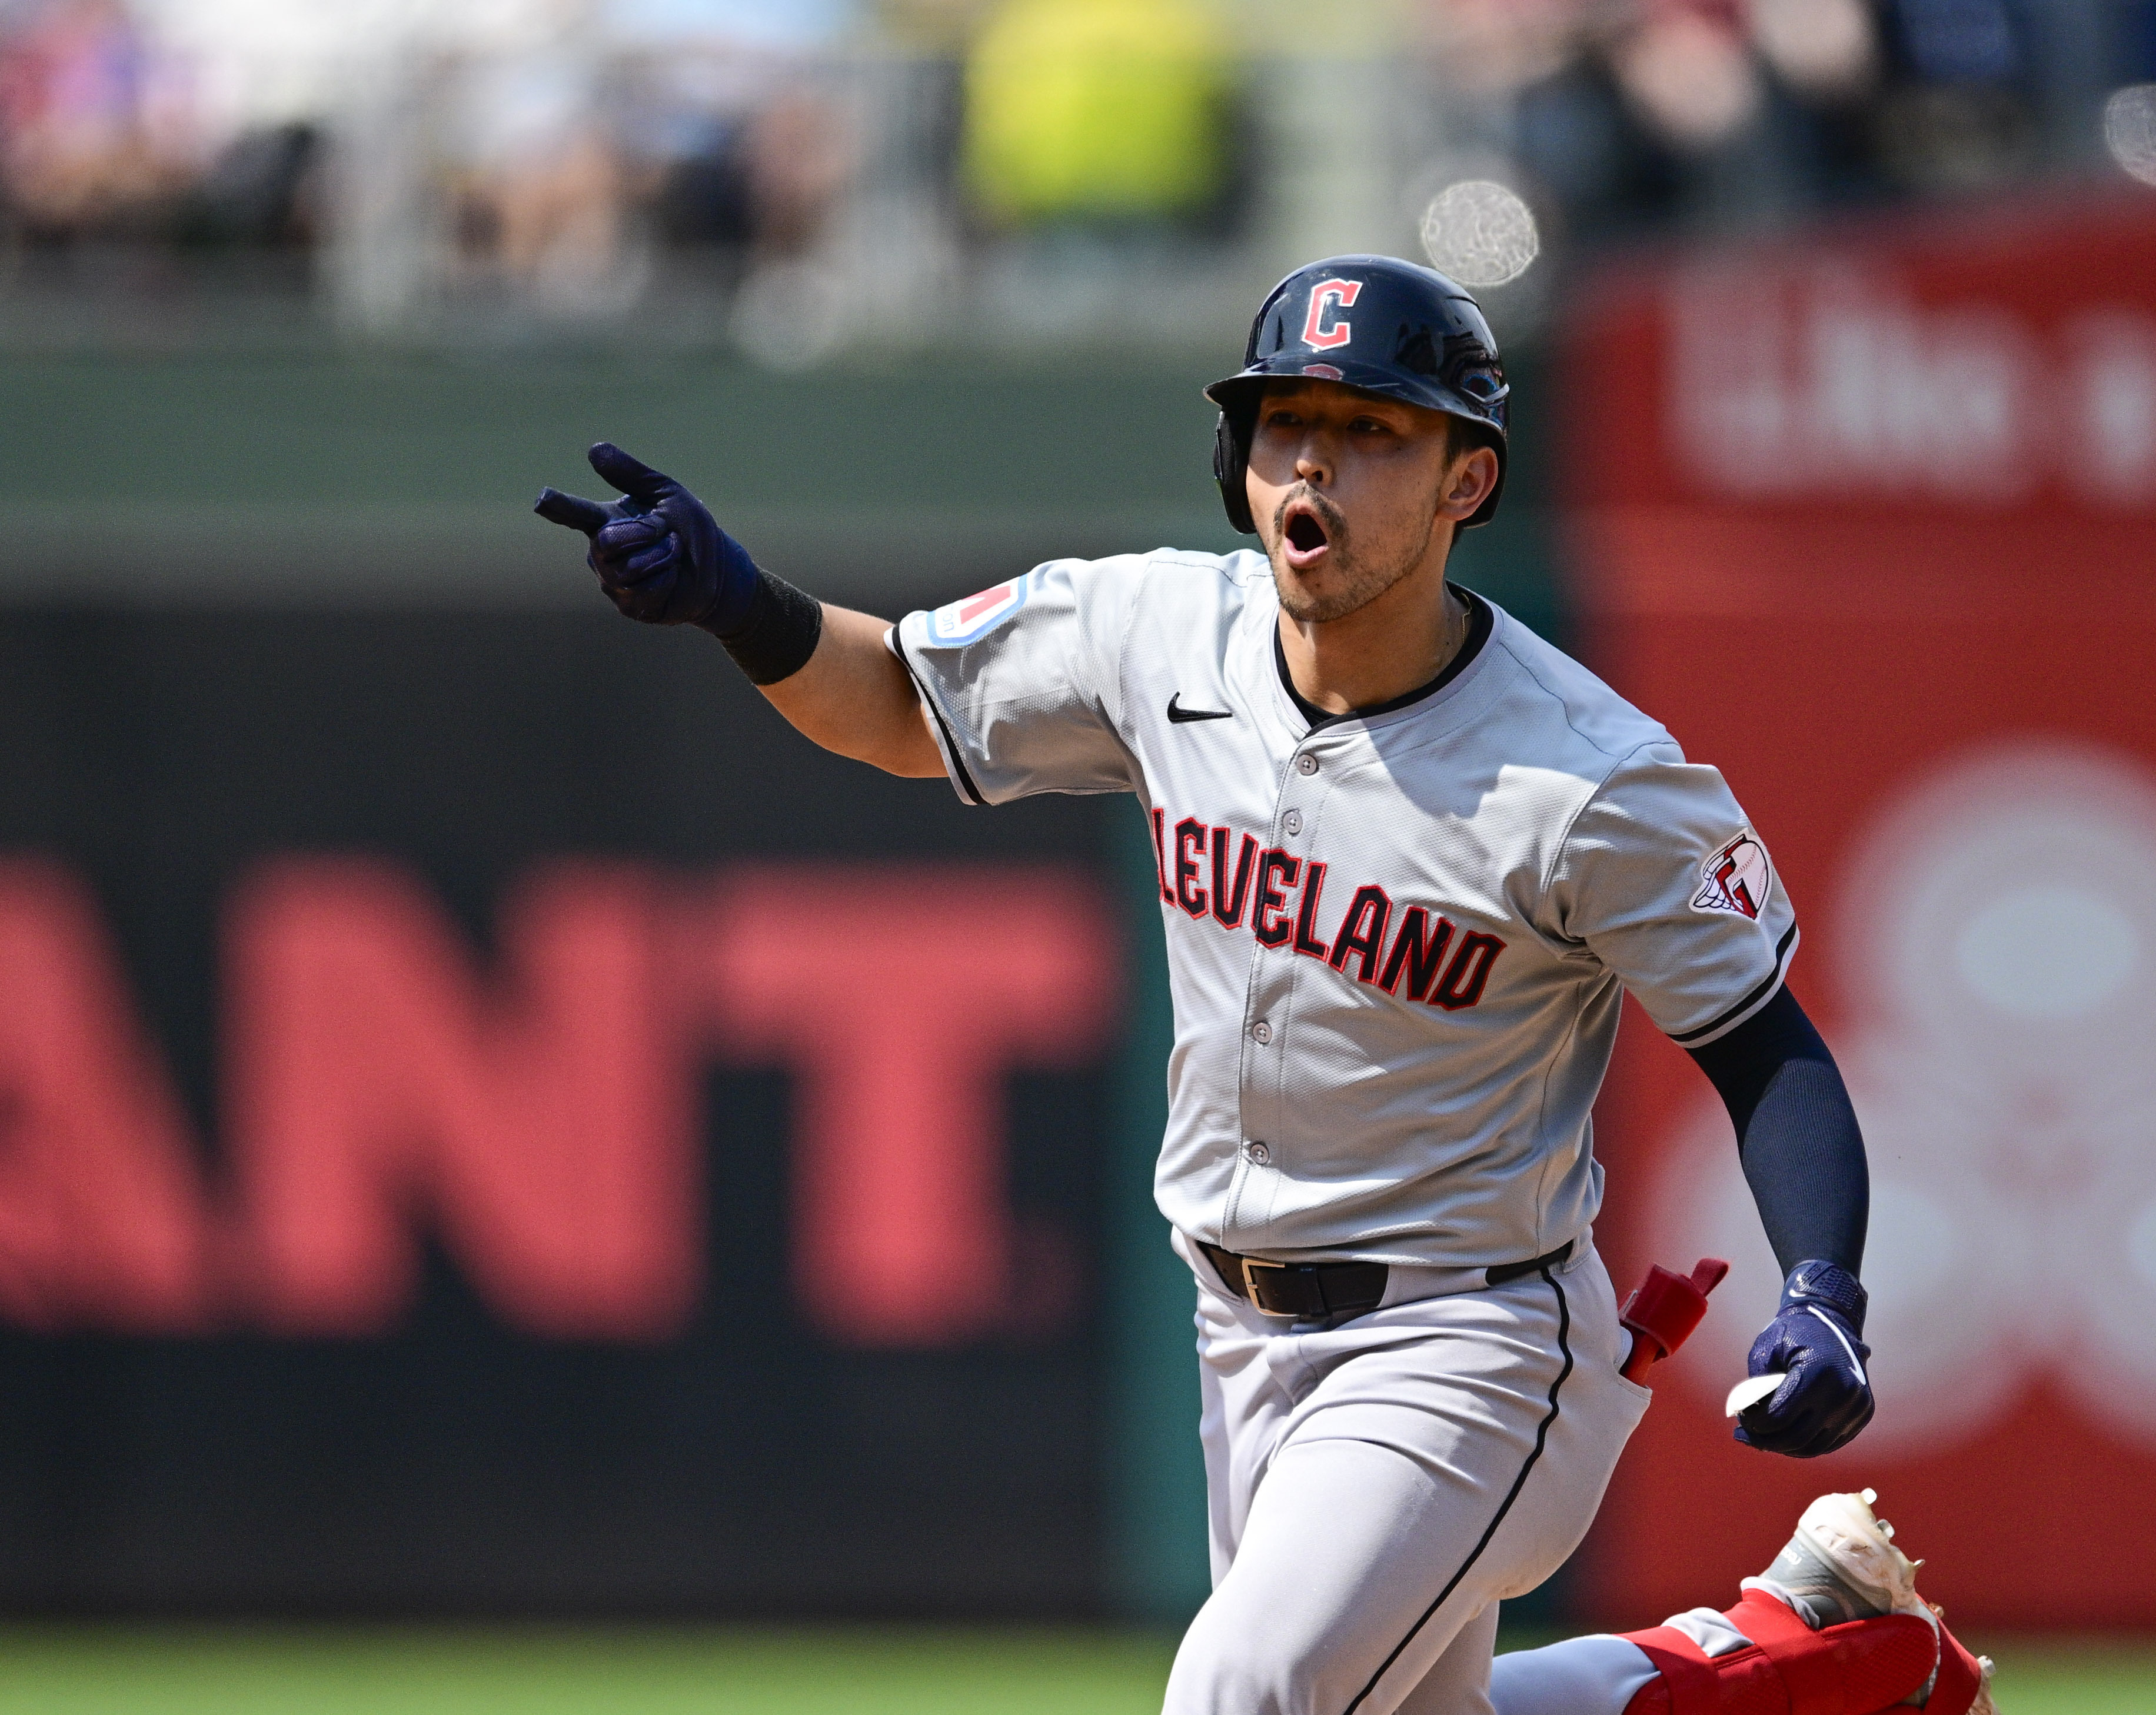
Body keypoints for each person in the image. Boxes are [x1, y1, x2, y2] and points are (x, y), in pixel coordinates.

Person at [535, 254, 1992, 1715]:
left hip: (1469, 1337)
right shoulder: (1161, 631)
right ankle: (1805, 1643)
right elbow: (907, 706)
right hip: (1238, 1327)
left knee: (1237, 1696)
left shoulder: (1588, 777)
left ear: (1464, 484)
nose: (1320, 460)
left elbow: (1765, 1050)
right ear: (1241, 457)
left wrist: (1826, 1290)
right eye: (1289, 420)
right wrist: (737, 604)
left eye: (1377, 432)